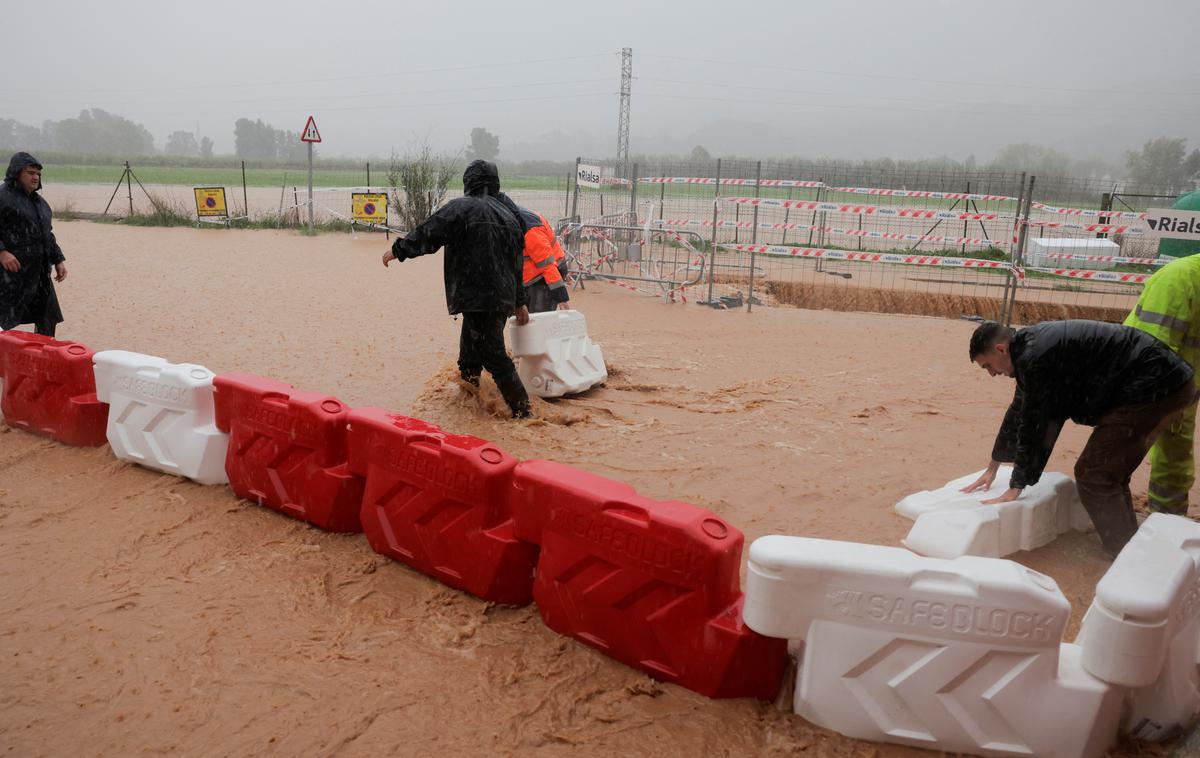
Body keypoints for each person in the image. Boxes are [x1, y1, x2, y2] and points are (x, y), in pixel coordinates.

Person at [963, 319, 1195, 556]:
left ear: (1000, 349)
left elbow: (1037, 426)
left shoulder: (1036, 358)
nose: (992, 374)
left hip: (1156, 386)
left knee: (1094, 473)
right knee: (1108, 472)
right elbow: (1019, 412)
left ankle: (1126, 557)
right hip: (1166, 381)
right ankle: (1129, 544)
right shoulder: (1029, 350)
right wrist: (994, 465)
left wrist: (1016, 486)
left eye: (988, 366)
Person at [381, 159, 531, 418]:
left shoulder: (461, 208)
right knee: (471, 351)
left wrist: (398, 250)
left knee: (492, 354)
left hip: (477, 294)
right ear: (495, 183)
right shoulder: (510, 216)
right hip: (500, 297)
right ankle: (470, 402)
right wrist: (520, 301)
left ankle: (524, 413)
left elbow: (429, 233)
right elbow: (517, 263)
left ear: (468, 182)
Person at [1124, 255, 1200, 516]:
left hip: (1186, 387)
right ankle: (1113, 525)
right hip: (1144, 385)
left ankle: (1168, 522)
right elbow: (1151, 352)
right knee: (1118, 453)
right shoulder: (1179, 279)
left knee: (1175, 460)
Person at [0, 152, 67, 336]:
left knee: (47, 318)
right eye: (30, 172)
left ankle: (42, 358)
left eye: (38, 174)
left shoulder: (41, 204)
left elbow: (47, 235)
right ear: (16, 173)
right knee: (4, 319)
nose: (35, 177)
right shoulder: (2, 198)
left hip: (39, 274)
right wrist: (2, 252)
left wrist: (58, 260)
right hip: (9, 276)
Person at [514, 206, 570, 313]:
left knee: (538, 321)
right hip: (529, 278)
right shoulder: (513, 217)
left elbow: (547, 265)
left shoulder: (530, 230)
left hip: (541, 278)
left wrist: (562, 299)